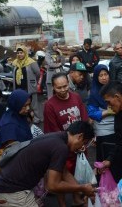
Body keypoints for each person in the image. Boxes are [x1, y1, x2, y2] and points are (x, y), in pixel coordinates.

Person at [0, 121, 96, 207]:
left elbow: (64, 173)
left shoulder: (57, 138)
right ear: (80, 136)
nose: (82, 147)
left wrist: (84, 190)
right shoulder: (61, 148)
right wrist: (81, 188)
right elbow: (52, 186)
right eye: (84, 143)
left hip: (5, 188)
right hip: (12, 193)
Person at [43, 72, 89, 207]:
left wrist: (83, 141)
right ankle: (62, 204)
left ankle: (77, 198)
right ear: (53, 87)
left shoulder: (76, 98)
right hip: (63, 147)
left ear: (68, 84)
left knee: (79, 174)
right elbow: (53, 130)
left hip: (80, 145)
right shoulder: (49, 105)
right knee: (60, 177)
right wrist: (67, 146)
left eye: (65, 86)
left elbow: (84, 120)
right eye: (59, 88)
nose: (63, 90)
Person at [99, 81, 122, 182]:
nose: (108, 107)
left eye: (108, 102)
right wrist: (109, 160)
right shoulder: (118, 116)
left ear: (117, 97)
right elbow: (120, 142)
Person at [87, 64, 115, 164]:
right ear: (96, 77)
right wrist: (108, 112)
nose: (104, 78)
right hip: (103, 130)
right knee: (105, 156)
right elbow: (92, 113)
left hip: (117, 127)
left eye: (106, 74)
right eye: (100, 75)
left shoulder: (114, 87)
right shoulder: (94, 93)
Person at [12, 45, 43, 124]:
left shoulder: (31, 62)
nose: (19, 54)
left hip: (29, 86)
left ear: (25, 53)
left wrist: (33, 81)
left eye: (21, 52)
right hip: (19, 87)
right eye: (18, 53)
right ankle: (25, 118)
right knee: (22, 104)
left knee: (33, 103)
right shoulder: (15, 62)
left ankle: (36, 118)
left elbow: (38, 73)